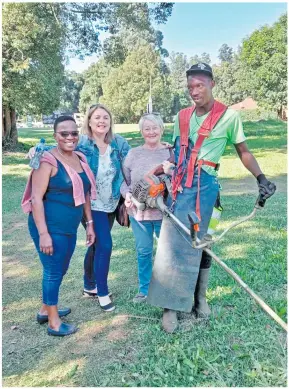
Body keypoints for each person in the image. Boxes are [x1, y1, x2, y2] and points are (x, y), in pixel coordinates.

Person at [146, 63, 276, 333]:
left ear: (212, 84)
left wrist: (261, 178)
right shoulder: (182, 117)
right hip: (180, 188)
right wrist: (164, 173)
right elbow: (175, 154)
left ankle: (199, 298)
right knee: (172, 244)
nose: (194, 91)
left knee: (204, 243)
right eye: (190, 86)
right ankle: (170, 307)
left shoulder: (229, 117)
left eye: (200, 85)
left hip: (208, 189)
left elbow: (244, 151)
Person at [27, 104, 130, 312]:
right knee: (105, 245)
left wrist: (157, 148)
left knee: (97, 243)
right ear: (89, 122)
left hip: (110, 202)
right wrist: (37, 150)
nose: (102, 121)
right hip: (90, 204)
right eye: (97, 117)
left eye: (106, 118)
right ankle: (102, 292)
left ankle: (89, 284)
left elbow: (132, 162)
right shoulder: (81, 141)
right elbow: (61, 147)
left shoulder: (119, 143)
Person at [22, 116, 96, 336]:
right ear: (55, 135)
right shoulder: (46, 160)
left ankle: (46, 309)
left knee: (61, 268)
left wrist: (89, 224)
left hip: (69, 227)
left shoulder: (80, 158)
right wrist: (43, 234)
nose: (70, 137)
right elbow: (36, 199)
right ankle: (54, 323)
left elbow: (85, 194)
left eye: (74, 133)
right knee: (53, 271)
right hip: (49, 227)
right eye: (64, 133)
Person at [120, 113, 172, 303]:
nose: (151, 132)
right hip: (139, 213)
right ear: (141, 131)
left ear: (161, 129)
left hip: (164, 213)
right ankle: (144, 290)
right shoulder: (133, 154)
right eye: (147, 128)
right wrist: (127, 195)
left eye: (155, 128)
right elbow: (123, 181)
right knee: (143, 251)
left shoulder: (169, 152)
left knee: (166, 253)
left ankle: (166, 289)